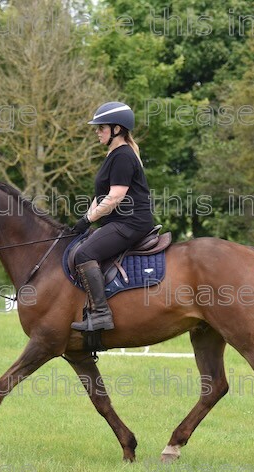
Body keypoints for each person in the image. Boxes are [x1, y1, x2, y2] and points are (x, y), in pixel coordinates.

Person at [69, 101, 155, 332]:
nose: (97, 132)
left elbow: (116, 197)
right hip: (120, 221)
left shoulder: (123, 156)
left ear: (117, 129)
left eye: (101, 127)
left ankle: (101, 314)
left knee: (85, 253)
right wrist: (85, 218)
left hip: (130, 222)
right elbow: (103, 196)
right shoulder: (114, 154)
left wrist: (89, 220)